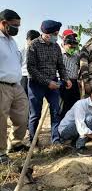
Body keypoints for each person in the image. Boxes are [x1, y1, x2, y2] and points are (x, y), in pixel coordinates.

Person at [27, 20, 72, 145]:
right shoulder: (33, 45)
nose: (56, 36)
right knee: (35, 114)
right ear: (46, 34)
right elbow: (31, 69)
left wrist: (66, 78)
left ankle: (55, 140)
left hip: (53, 84)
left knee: (55, 111)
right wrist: (47, 83)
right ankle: (33, 142)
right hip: (36, 84)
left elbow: (60, 66)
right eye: (55, 34)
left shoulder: (56, 46)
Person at [0, 9, 29, 163]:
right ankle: (1, 153)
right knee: (1, 121)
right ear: (3, 23)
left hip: (16, 85)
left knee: (22, 116)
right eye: (14, 25)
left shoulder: (12, 41)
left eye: (18, 26)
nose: (16, 28)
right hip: (1, 85)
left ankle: (16, 143)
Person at [59, 30, 81, 119]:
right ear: (64, 42)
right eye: (70, 46)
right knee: (63, 107)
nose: (72, 48)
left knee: (75, 106)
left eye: (74, 46)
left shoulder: (76, 56)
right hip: (63, 83)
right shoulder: (59, 54)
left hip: (74, 83)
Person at [20, 30, 40, 96]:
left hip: (35, 77)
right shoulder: (22, 50)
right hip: (25, 77)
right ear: (28, 39)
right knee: (24, 97)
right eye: (32, 40)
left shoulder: (38, 49)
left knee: (33, 98)